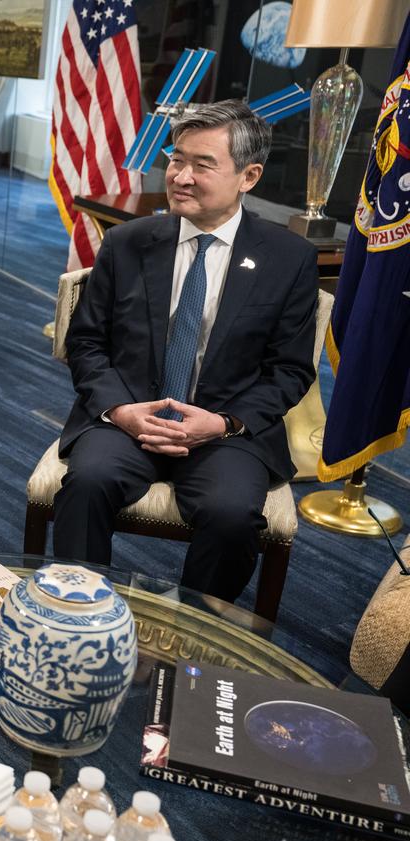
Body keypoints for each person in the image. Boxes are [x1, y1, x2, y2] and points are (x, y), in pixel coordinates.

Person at [51, 100, 318, 604]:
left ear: (249, 176)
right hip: (130, 413)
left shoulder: (289, 259)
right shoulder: (127, 243)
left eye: (203, 164)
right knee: (87, 483)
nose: (182, 176)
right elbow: (86, 342)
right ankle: (79, 619)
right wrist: (121, 410)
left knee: (231, 513)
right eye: (176, 160)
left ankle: (193, 634)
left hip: (225, 428)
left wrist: (220, 424)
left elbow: (288, 371)